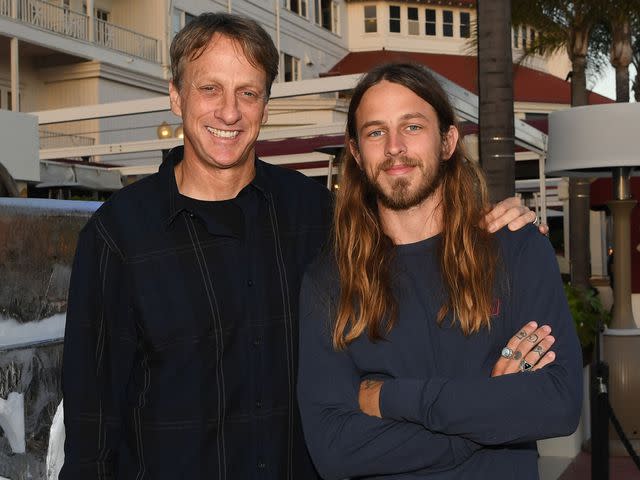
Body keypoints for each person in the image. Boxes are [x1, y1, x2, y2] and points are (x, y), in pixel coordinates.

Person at [61, 14, 541, 480]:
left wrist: (494, 224)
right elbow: (92, 421)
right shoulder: (117, 235)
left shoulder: (319, 214)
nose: (229, 111)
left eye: (248, 93)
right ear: (175, 96)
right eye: (210, 89)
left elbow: (419, 232)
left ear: (265, 107)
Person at [297, 63, 583, 480]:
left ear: (448, 141)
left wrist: (392, 398)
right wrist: (489, 412)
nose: (394, 147)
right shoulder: (329, 280)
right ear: (356, 155)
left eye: (412, 127)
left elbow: (558, 403)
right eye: (376, 132)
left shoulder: (517, 248)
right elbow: (334, 448)